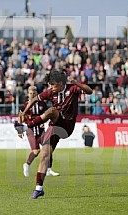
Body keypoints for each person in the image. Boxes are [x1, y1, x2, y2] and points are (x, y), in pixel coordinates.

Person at [14, 70, 92, 199]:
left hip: (67, 126)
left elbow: (89, 91)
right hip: (54, 127)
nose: (51, 87)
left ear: (61, 84)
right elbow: (33, 100)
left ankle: (26, 126)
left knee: (52, 111)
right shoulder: (51, 92)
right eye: (50, 85)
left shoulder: (72, 89)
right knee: (44, 155)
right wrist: (24, 113)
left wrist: (77, 83)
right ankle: (39, 188)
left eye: (53, 85)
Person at [19, 86, 59, 177]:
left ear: (36, 94)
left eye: (34, 93)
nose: (32, 95)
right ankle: (27, 165)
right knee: (36, 151)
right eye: (30, 93)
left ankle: (49, 170)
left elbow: (48, 114)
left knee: (48, 148)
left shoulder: (42, 104)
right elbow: (20, 116)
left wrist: (44, 122)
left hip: (41, 130)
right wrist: (19, 130)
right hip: (31, 130)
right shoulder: (25, 105)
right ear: (28, 94)